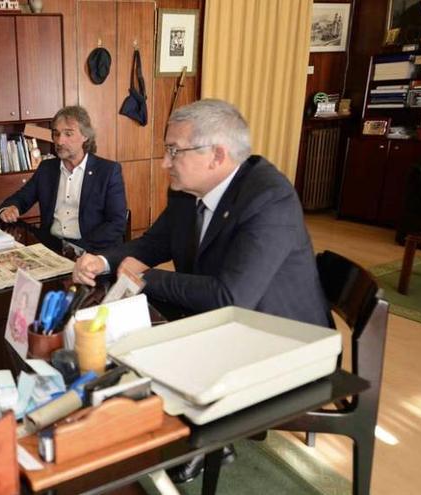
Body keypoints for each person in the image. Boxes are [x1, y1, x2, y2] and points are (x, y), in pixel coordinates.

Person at [73, 98, 329, 483]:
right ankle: (169, 422)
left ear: (217, 155)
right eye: (166, 150)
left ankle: (201, 436)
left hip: (280, 335)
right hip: (226, 320)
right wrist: (104, 261)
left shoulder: (268, 197)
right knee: (140, 319)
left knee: (151, 312)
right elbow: (153, 245)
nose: (164, 162)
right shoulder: (186, 191)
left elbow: (231, 296)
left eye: (174, 150)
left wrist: (147, 280)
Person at [0, 106, 127, 253]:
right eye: (56, 134)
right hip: (51, 247)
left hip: (90, 251)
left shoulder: (108, 171)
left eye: (68, 134)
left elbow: (117, 223)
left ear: (85, 136)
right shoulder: (47, 168)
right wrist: (11, 208)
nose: (59, 141)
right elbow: (22, 198)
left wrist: (78, 249)